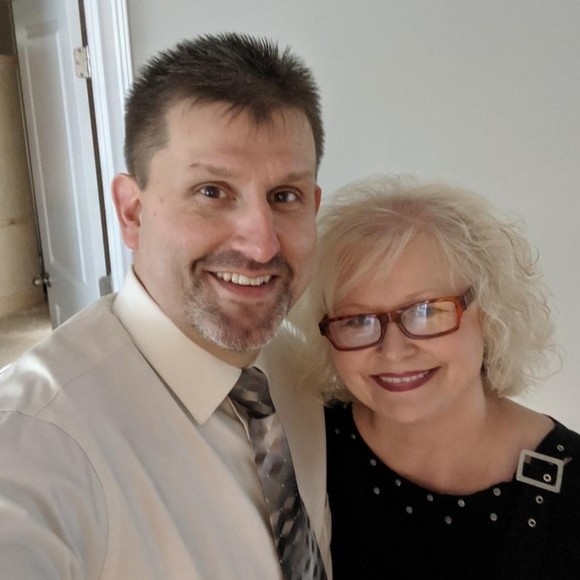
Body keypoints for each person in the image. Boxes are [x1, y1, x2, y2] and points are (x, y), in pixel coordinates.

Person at [0, 33, 331, 579]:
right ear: (132, 212)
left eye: (284, 197)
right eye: (212, 191)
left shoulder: (305, 371)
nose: (261, 244)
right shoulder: (34, 440)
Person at [293, 175, 580, 579]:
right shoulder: (297, 447)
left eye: (426, 311)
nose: (393, 351)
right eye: (357, 320)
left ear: (489, 313)